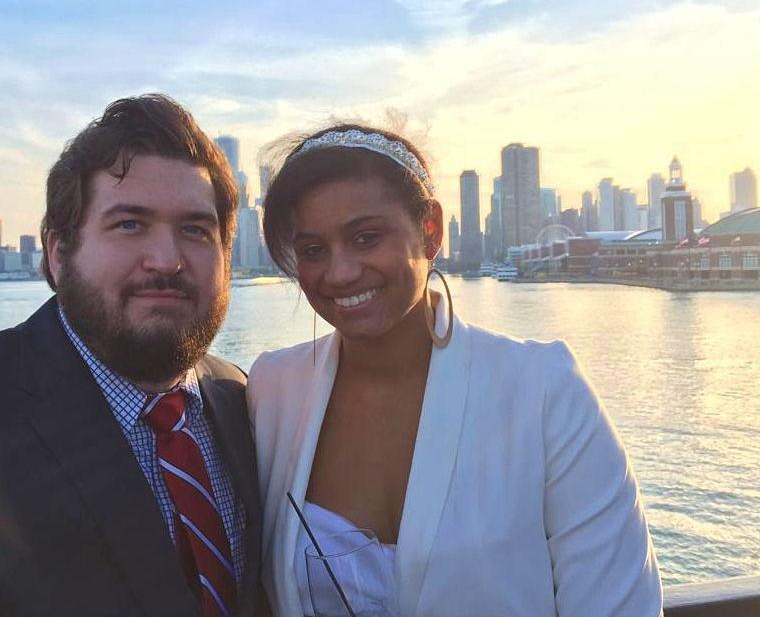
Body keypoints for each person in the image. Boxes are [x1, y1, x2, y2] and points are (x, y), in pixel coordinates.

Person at [247, 124, 663, 617]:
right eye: (313, 250)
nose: (339, 272)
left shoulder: (543, 390)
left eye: (366, 237)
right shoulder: (273, 390)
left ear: (431, 230)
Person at [0, 95, 266, 617]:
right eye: (129, 224)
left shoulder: (241, 397)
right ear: (58, 252)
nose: (166, 260)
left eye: (194, 229)